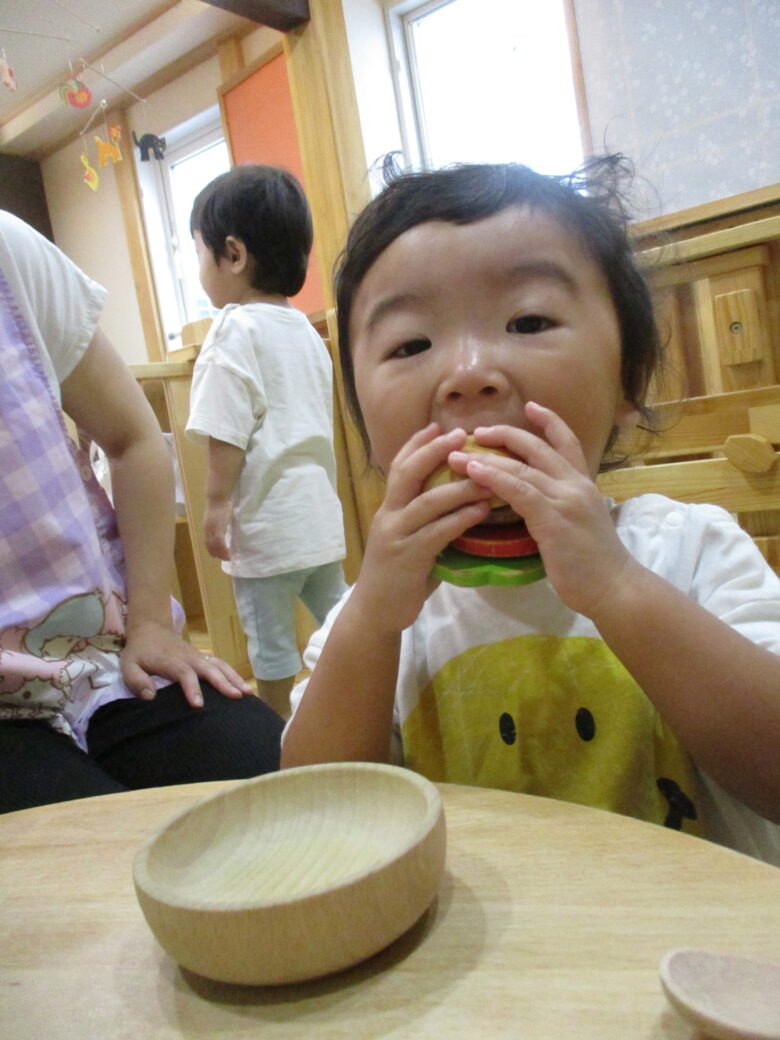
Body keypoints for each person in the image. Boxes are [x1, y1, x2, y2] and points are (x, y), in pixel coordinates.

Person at [281, 155, 780, 866]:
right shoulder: (378, 621)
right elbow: (311, 819)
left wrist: (616, 586)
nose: (468, 373)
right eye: (411, 344)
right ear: (365, 422)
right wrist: (370, 621)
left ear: (627, 382)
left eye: (529, 319)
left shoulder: (687, 551)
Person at [0, 210, 284, 815]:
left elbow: (145, 438)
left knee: (284, 774)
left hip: (104, 661)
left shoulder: (8, 252)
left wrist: (151, 618)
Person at [186, 165, 347, 719]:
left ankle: (276, 735)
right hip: (319, 521)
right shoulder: (305, 330)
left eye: (200, 254)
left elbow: (227, 429)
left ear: (233, 254)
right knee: (345, 631)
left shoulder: (233, 330)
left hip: (266, 531)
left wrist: (214, 506)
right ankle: (364, 711)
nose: (200, 270)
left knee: (272, 655)